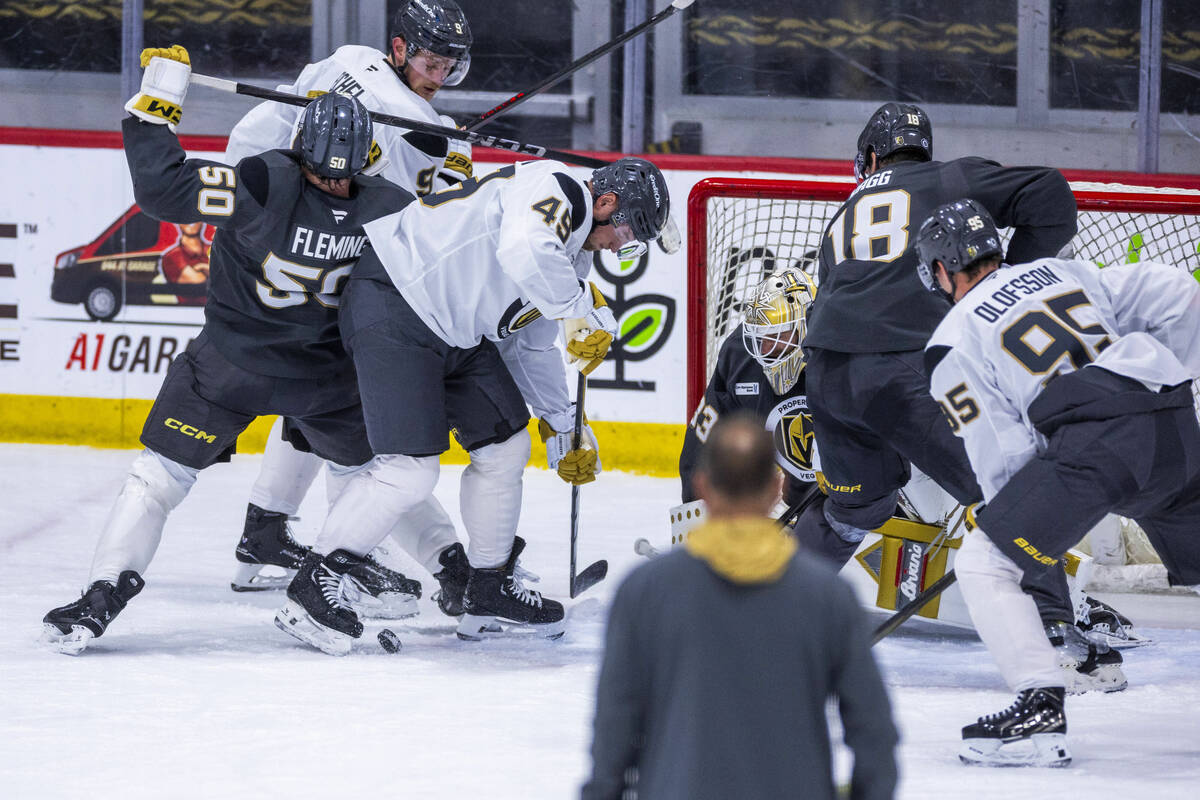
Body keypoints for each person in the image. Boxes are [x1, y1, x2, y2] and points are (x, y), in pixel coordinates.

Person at [40, 47, 414, 654]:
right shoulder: (390, 206)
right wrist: (453, 173)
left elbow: (163, 191)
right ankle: (334, 583)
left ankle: (101, 594)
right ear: (368, 155)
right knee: (377, 475)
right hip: (325, 380)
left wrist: (155, 106)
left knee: (156, 478)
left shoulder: (265, 178)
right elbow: (461, 242)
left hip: (229, 366)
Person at [273, 156, 670, 654]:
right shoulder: (559, 187)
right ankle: (312, 585)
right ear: (607, 202)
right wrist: (581, 310)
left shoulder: (573, 256)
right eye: (627, 232)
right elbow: (526, 250)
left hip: (455, 330)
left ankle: (486, 589)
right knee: (408, 471)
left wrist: (562, 424)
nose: (621, 245)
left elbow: (530, 344)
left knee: (506, 446)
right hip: (396, 301)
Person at [801, 101, 1133, 687]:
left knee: (857, 506)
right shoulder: (949, 177)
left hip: (827, 370)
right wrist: (1004, 285)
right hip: (899, 368)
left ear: (871, 155)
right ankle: (1055, 634)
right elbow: (1051, 192)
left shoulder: (843, 213)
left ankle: (756, 619)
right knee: (1008, 491)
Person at [916, 199, 1200, 766]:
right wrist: (1174, 375)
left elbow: (1001, 449)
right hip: (1170, 419)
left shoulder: (951, 339)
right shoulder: (1063, 270)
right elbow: (1183, 294)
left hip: (1092, 451)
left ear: (944, 270)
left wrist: (1016, 518)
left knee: (984, 561)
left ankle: (1037, 707)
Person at [224, 0, 477, 596]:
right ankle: (368, 559)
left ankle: (263, 529)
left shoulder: (349, 59)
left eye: (449, 66)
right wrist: (455, 162)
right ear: (399, 50)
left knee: (314, 389)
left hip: (268, 215)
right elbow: (420, 216)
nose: (438, 76)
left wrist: (440, 143)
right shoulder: (409, 118)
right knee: (352, 415)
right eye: (431, 62)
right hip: (322, 249)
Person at [583, 413, 898, 800]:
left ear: (703, 486)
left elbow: (616, 724)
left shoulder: (645, 591)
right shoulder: (828, 596)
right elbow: (873, 731)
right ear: (776, 488)